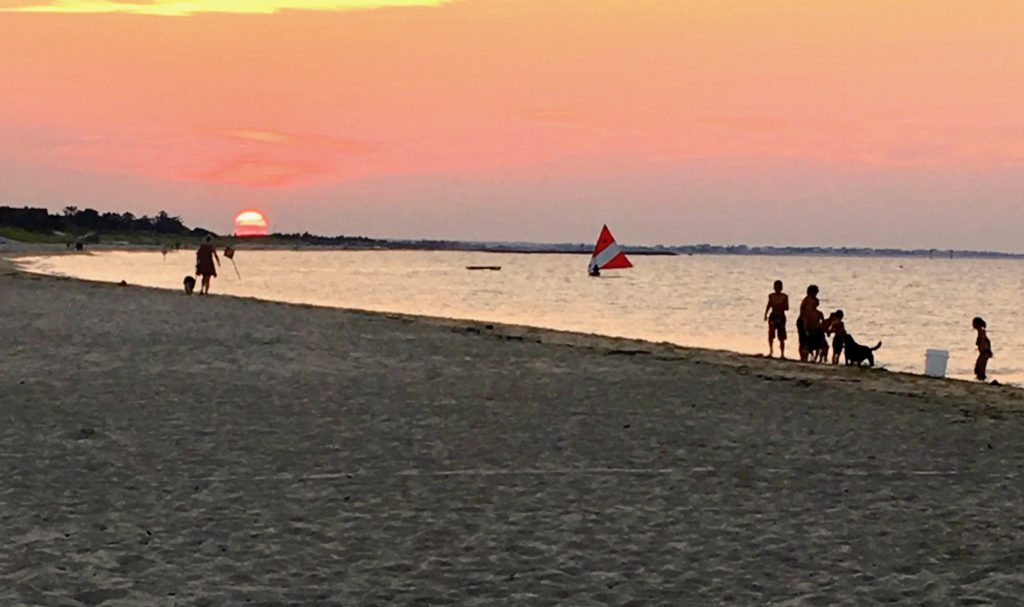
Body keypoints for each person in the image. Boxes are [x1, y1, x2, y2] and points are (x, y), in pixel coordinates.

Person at [764, 280, 789, 358]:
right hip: (773, 316)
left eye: (779, 287)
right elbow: (769, 305)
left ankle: (782, 354)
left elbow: (787, 307)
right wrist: (765, 314)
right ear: (774, 288)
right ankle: (771, 351)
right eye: (776, 287)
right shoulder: (771, 296)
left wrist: (781, 305)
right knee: (771, 334)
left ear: (781, 288)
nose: (777, 289)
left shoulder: (784, 296)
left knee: (781, 337)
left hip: (781, 317)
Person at [798, 285, 821, 362]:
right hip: (803, 321)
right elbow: (805, 315)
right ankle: (803, 358)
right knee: (804, 340)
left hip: (809, 322)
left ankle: (806, 357)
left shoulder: (811, 300)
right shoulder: (807, 301)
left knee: (808, 341)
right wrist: (805, 327)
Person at [973, 317, 993, 381]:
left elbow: (983, 341)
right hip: (984, 352)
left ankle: (982, 380)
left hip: (984, 352)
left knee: (980, 369)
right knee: (978, 368)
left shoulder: (981, 331)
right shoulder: (981, 331)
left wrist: (981, 348)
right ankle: (981, 379)